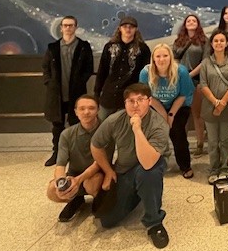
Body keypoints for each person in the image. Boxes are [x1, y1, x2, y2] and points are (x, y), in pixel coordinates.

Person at [91, 83, 170, 249]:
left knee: (148, 174)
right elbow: (96, 145)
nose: (135, 105)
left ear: (149, 101)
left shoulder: (159, 125)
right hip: (124, 169)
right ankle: (142, 193)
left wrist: (137, 129)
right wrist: (108, 170)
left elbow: (148, 162)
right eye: (130, 101)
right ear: (125, 104)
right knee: (107, 221)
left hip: (151, 165)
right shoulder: (115, 120)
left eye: (140, 100)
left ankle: (154, 222)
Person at [46, 95, 110, 222]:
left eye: (91, 108)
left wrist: (78, 180)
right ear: (76, 112)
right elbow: (60, 165)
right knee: (51, 190)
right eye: (82, 109)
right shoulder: (67, 134)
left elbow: (99, 163)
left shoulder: (106, 131)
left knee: (91, 183)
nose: (86, 112)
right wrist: (61, 184)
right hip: (74, 174)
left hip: (98, 174)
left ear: (98, 110)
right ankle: (75, 198)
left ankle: (99, 199)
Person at [42, 15, 94, 166]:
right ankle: (57, 154)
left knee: (77, 124)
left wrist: (80, 81)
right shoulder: (52, 47)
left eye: (71, 25)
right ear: (61, 28)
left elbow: (88, 68)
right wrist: (49, 82)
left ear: (75, 27)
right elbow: (45, 67)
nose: (68, 28)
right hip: (57, 94)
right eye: (65, 25)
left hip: (76, 94)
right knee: (57, 126)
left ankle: (76, 154)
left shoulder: (84, 46)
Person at [139, 44, 195, 178]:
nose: (161, 59)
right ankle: (154, 163)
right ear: (153, 58)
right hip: (156, 104)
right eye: (158, 56)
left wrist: (170, 115)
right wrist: (163, 115)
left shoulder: (181, 71)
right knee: (156, 133)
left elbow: (183, 95)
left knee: (177, 132)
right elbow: (148, 97)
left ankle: (185, 165)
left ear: (171, 57)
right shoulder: (146, 73)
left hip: (179, 105)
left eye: (165, 55)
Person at [199, 29, 228, 184]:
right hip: (209, 107)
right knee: (212, 141)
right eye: (216, 41)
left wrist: (222, 103)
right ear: (211, 43)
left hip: (227, 108)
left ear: (227, 43)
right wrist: (215, 102)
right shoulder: (206, 63)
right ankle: (214, 169)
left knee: (224, 140)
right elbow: (203, 84)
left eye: (222, 40)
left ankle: (224, 168)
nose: (219, 43)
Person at [94, 16, 151, 120]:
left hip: (129, 96)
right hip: (108, 95)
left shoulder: (143, 49)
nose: (128, 29)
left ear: (136, 29)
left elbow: (145, 74)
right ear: (120, 28)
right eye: (125, 26)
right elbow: (102, 70)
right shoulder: (109, 47)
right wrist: (97, 93)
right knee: (102, 127)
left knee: (125, 129)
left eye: (131, 27)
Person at [173, 14, 207, 158]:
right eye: (188, 21)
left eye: (194, 20)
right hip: (180, 80)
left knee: (197, 114)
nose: (191, 22)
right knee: (181, 115)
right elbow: (174, 58)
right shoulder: (179, 41)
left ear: (198, 24)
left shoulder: (204, 41)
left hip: (196, 80)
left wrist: (191, 74)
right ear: (184, 24)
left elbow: (205, 61)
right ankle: (182, 145)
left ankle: (200, 144)